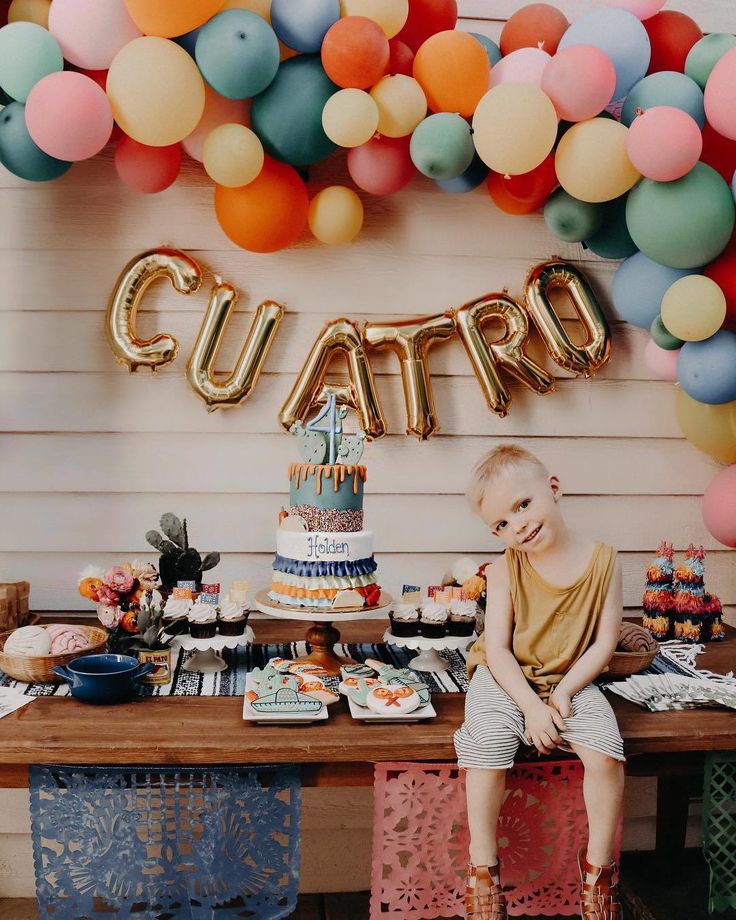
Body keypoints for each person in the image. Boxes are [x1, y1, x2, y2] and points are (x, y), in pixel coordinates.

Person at [454, 445, 625, 920]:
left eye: (523, 505)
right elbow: (499, 650)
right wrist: (531, 707)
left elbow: (603, 645)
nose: (519, 525)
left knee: (607, 754)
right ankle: (483, 867)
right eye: (503, 523)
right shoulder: (508, 568)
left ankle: (598, 872)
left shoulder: (604, 563)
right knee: (488, 744)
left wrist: (566, 692)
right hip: (505, 677)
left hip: (571, 675)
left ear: (553, 488)